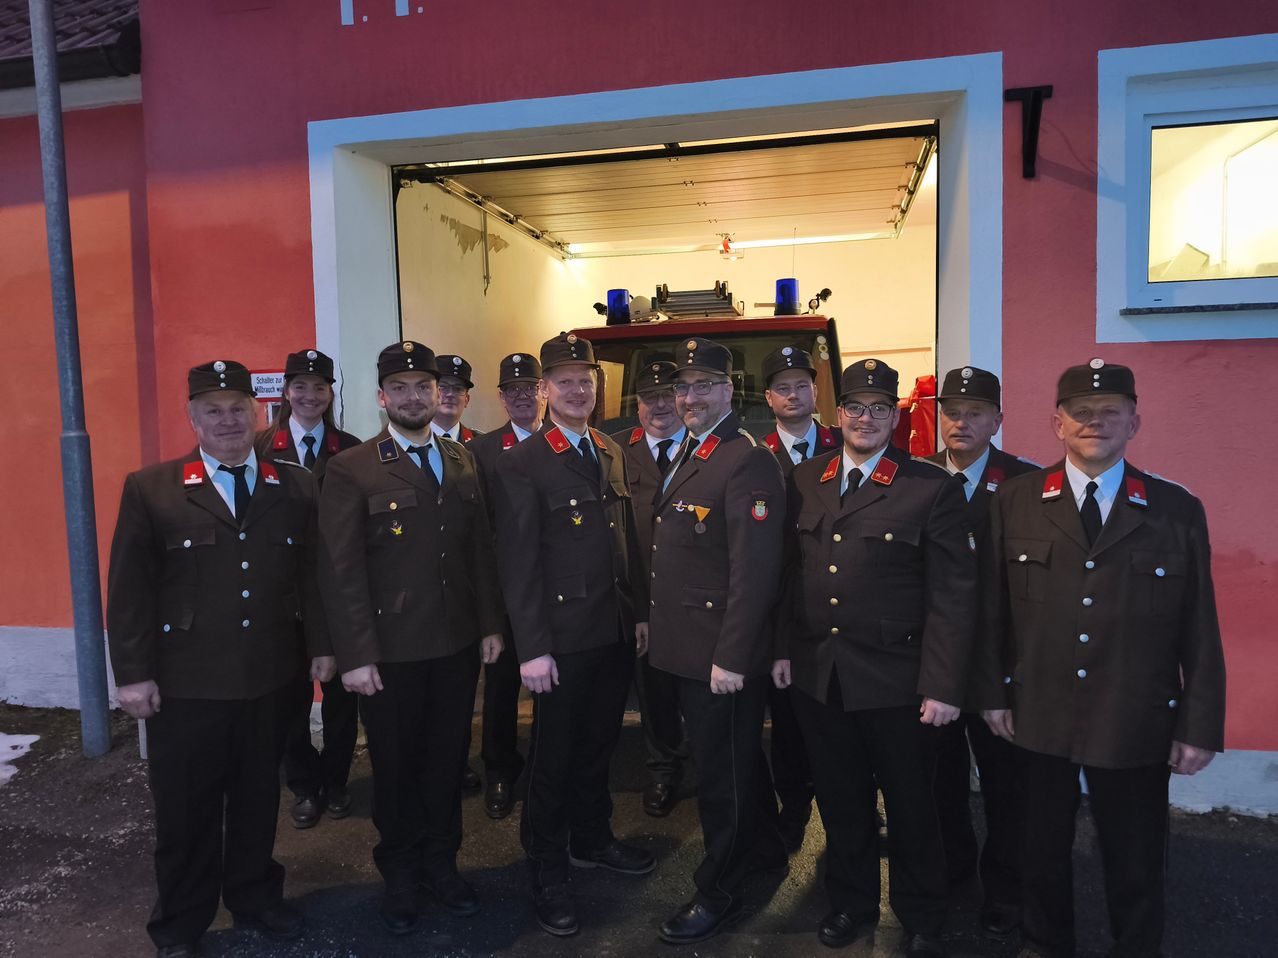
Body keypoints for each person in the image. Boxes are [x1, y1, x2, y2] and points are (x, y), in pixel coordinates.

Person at [975, 360, 1226, 958]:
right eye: (1081, 412)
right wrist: (990, 692)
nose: (1095, 422)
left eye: (1110, 411)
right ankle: (1044, 945)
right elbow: (991, 612)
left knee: (1136, 859)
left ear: (1134, 422)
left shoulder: (1174, 509)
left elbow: (1200, 628)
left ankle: (1137, 948)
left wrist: (1199, 726)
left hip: (1134, 715)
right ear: (1056, 422)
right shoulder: (1015, 502)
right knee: (1039, 853)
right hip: (1037, 711)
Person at [106, 360, 331, 958]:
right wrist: (132, 675)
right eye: (213, 410)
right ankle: (180, 923)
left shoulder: (295, 485)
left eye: (237, 409)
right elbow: (129, 591)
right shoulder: (151, 488)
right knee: (185, 813)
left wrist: (321, 649)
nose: (228, 420)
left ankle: (255, 897)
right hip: (187, 686)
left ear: (258, 413)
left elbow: (311, 578)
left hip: (270, 677)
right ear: (192, 417)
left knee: (259, 800)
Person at [774, 358, 976, 958]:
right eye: (856, 408)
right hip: (822, 675)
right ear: (839, 416)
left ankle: (922, 914)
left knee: (913, 805)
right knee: (841, 801)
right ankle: (851, 904)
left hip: (899, 681)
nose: (866, 419)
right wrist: (784, 648)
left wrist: (943, 685)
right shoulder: (806, 477)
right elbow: (789, 573)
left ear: (896, 417)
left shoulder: (929, 486)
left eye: (879, 409)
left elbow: (953, 596)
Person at [317, 341, 505, 935]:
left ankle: (442, 865)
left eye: (423, 386)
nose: (414, 396)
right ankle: (399, 872)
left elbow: (480, 552)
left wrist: (491, 625)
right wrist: (356, 654)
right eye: (400, 387)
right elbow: (339, 568)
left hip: (454, 646)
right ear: (381, 397)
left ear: (437, 394)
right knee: (395, 767)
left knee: (448, 761)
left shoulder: (462, 460)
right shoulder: (353, 468)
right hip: (389, 654)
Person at [492, 332, 653, 938]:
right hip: (558, 641)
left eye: (586, 379)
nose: (578, 389)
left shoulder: (608, 450)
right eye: (564, 381)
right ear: (544, 391)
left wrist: (635, 614)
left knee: (598, 747)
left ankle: (592, 837)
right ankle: (546, 867)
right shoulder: (522, 462)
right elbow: (518, 561)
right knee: (553, 760)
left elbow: (622, 545)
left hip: (609, 633)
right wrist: (531, 647)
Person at [647, 336, 787, 945]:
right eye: (682, 386)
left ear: (730, 390)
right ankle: (760, 855)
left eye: (704, 384)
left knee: (721, 778)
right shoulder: (694, 450)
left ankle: (721, 889)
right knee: (736, 765)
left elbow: (755, 572)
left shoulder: (745, 458)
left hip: (717, 657)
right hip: (686, 647)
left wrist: (731, 656)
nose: (689, 396)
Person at [925, 365, 1037, 934]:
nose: (960, 422)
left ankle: (1006, 892)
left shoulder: (1025, 485)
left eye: (973, 413)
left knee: (1006, 789)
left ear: (997, 420)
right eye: (951, 411)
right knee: (939, 783)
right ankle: (953, 872)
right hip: (935, 666)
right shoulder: (914, 478)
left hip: (1000, 666)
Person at [255, 348, 362, 831]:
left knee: (343, 697)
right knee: (289, 699)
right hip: (286, 596)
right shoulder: (260, 448)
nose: (310, 395)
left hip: (338, 592)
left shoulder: (353, 448)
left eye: (320, 387)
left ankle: (337, 780)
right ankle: (302, 783)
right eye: (300, 386)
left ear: (330, 394)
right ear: (286, 392)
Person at [759, 344, 836, 852]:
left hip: (829, 602)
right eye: (783, 387)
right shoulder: (754, 452)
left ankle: (840, 812)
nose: (794, 394)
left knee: (833, 726)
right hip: (776, 603)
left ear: (815, 391)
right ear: (768, 398)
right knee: (785, 721)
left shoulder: (841, 442)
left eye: (802, 385)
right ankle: (793, 809)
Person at [465, 351, 546, 819]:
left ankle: (545, 768)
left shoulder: (565, 442)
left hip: (555, 593)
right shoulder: (481, 453)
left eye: (529, 387)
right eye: (511, 389)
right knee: (499, 689)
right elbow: (478, 531)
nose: (521, 396)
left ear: (542, 392)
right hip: (504, 593)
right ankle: (499, 771)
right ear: (500, 397)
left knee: (552, 688)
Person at [612, 360, 689, 818]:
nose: (660, 406)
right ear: (637, 405)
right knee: (653, 691)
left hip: (695, 597)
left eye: (668, 395)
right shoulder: (616, 451)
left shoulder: (707, 449)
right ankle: (663, 769)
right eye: (649, 398)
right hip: (643, 596)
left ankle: (715, 769)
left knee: (703, 693)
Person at [432, 353, 481, 444]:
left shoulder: (480, 443)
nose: (450, 394)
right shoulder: (410, 438)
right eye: (443, 387)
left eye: (458, 389)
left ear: (467, 399)